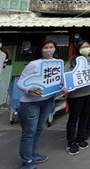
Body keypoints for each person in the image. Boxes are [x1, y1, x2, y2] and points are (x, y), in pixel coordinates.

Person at [17, 40, 58, 169]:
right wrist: (30, 89)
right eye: (46, 47)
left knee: (39, 129)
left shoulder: (57, 63)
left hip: (47, 101)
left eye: (51, 47)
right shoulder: (33, 64)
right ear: (41, 50)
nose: (49, 49)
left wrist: (62, 87)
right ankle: (26, 161)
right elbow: (20, 82)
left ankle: (33, 154)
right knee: (29, 132)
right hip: (31, 103)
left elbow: (59, 80)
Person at [64, 41, 90, 155]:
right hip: (76, 95)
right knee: (74, 118)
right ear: (78, 49)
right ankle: (70, 142)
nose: (85, 48)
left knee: (85, 116)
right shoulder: (73, 61)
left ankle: (80, 138)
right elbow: (64, 75)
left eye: (87, 46)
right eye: (82, 47)